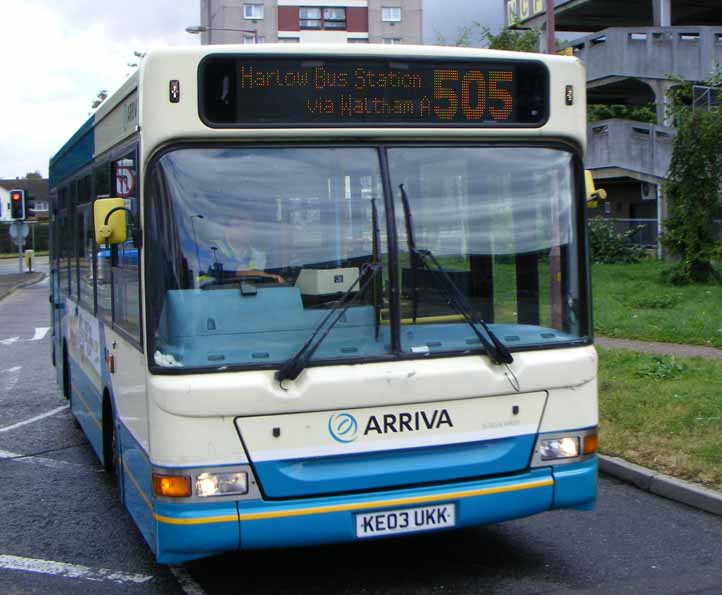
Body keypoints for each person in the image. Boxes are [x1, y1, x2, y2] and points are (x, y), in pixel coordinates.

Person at [210, 211, 284, 283]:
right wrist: (262, 275)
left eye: (250, 224)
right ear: (226, 226)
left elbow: (275, 279)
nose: (247, 228)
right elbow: (228, 269)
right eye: (240, 221)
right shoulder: (212, 246)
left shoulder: (260, 254)